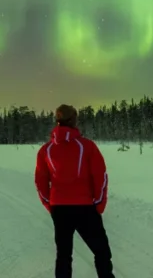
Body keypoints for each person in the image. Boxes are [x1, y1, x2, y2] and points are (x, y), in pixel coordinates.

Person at [35, 104, 115, 278]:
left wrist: (50, 204)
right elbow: (100, 176)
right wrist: (98, 204)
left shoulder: (46, 150)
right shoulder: (87, 146)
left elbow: (40, 182)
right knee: (101, 251)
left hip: (60, 209)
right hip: (85, 207)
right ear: (73, 120)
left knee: (63, 255)